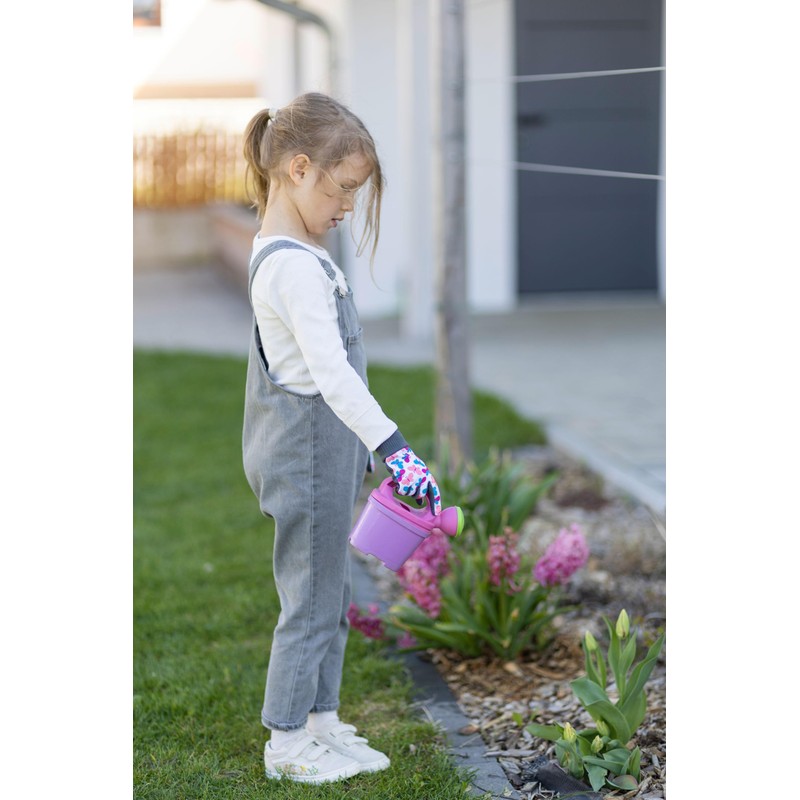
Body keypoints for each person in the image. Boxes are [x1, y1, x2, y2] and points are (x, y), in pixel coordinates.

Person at [240, 92, 442, 784]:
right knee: (311, 602)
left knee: (332, 592)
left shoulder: (290, 252)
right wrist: (395, 448)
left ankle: (321, 720)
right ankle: (287, 743)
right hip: (307, 460)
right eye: (345, 188)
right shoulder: (294, 267)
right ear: (299, 169)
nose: (350, 205)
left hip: (324, 456)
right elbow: (330, 373)